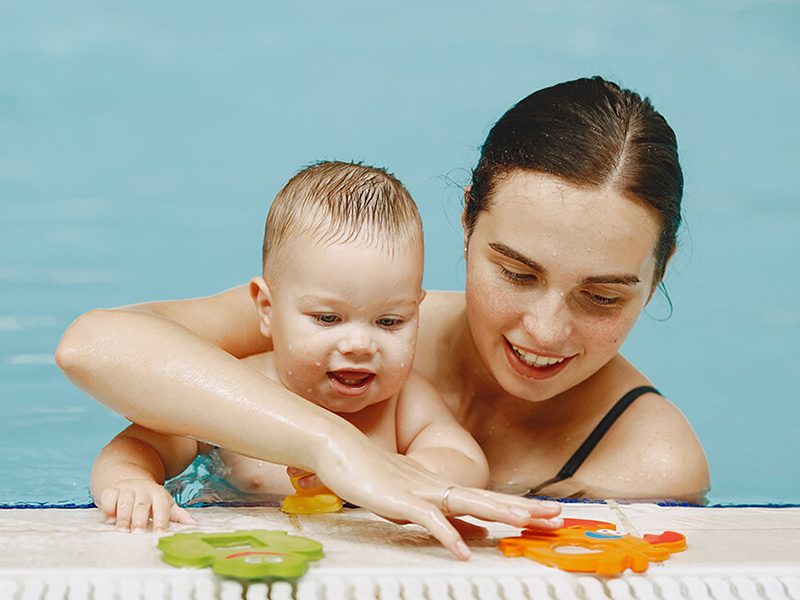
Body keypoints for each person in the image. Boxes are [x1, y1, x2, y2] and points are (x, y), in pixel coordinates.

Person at [57, 76, 709, 559]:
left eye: (602, 297)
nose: (543, 330)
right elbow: (93, 347)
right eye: (516, 273)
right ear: (465, 223)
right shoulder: (339, 316)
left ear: (661, 269)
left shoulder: (649, 460)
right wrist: (333, 445)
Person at [89, 162, 498, 545]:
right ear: (267, 309)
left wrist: (399, 474)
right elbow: (138, 447)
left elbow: (465, 461)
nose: (360, 345)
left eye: (390, 322)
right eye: (327, 318)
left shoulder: (404, 400)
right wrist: (131, 483)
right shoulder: (238, 391)